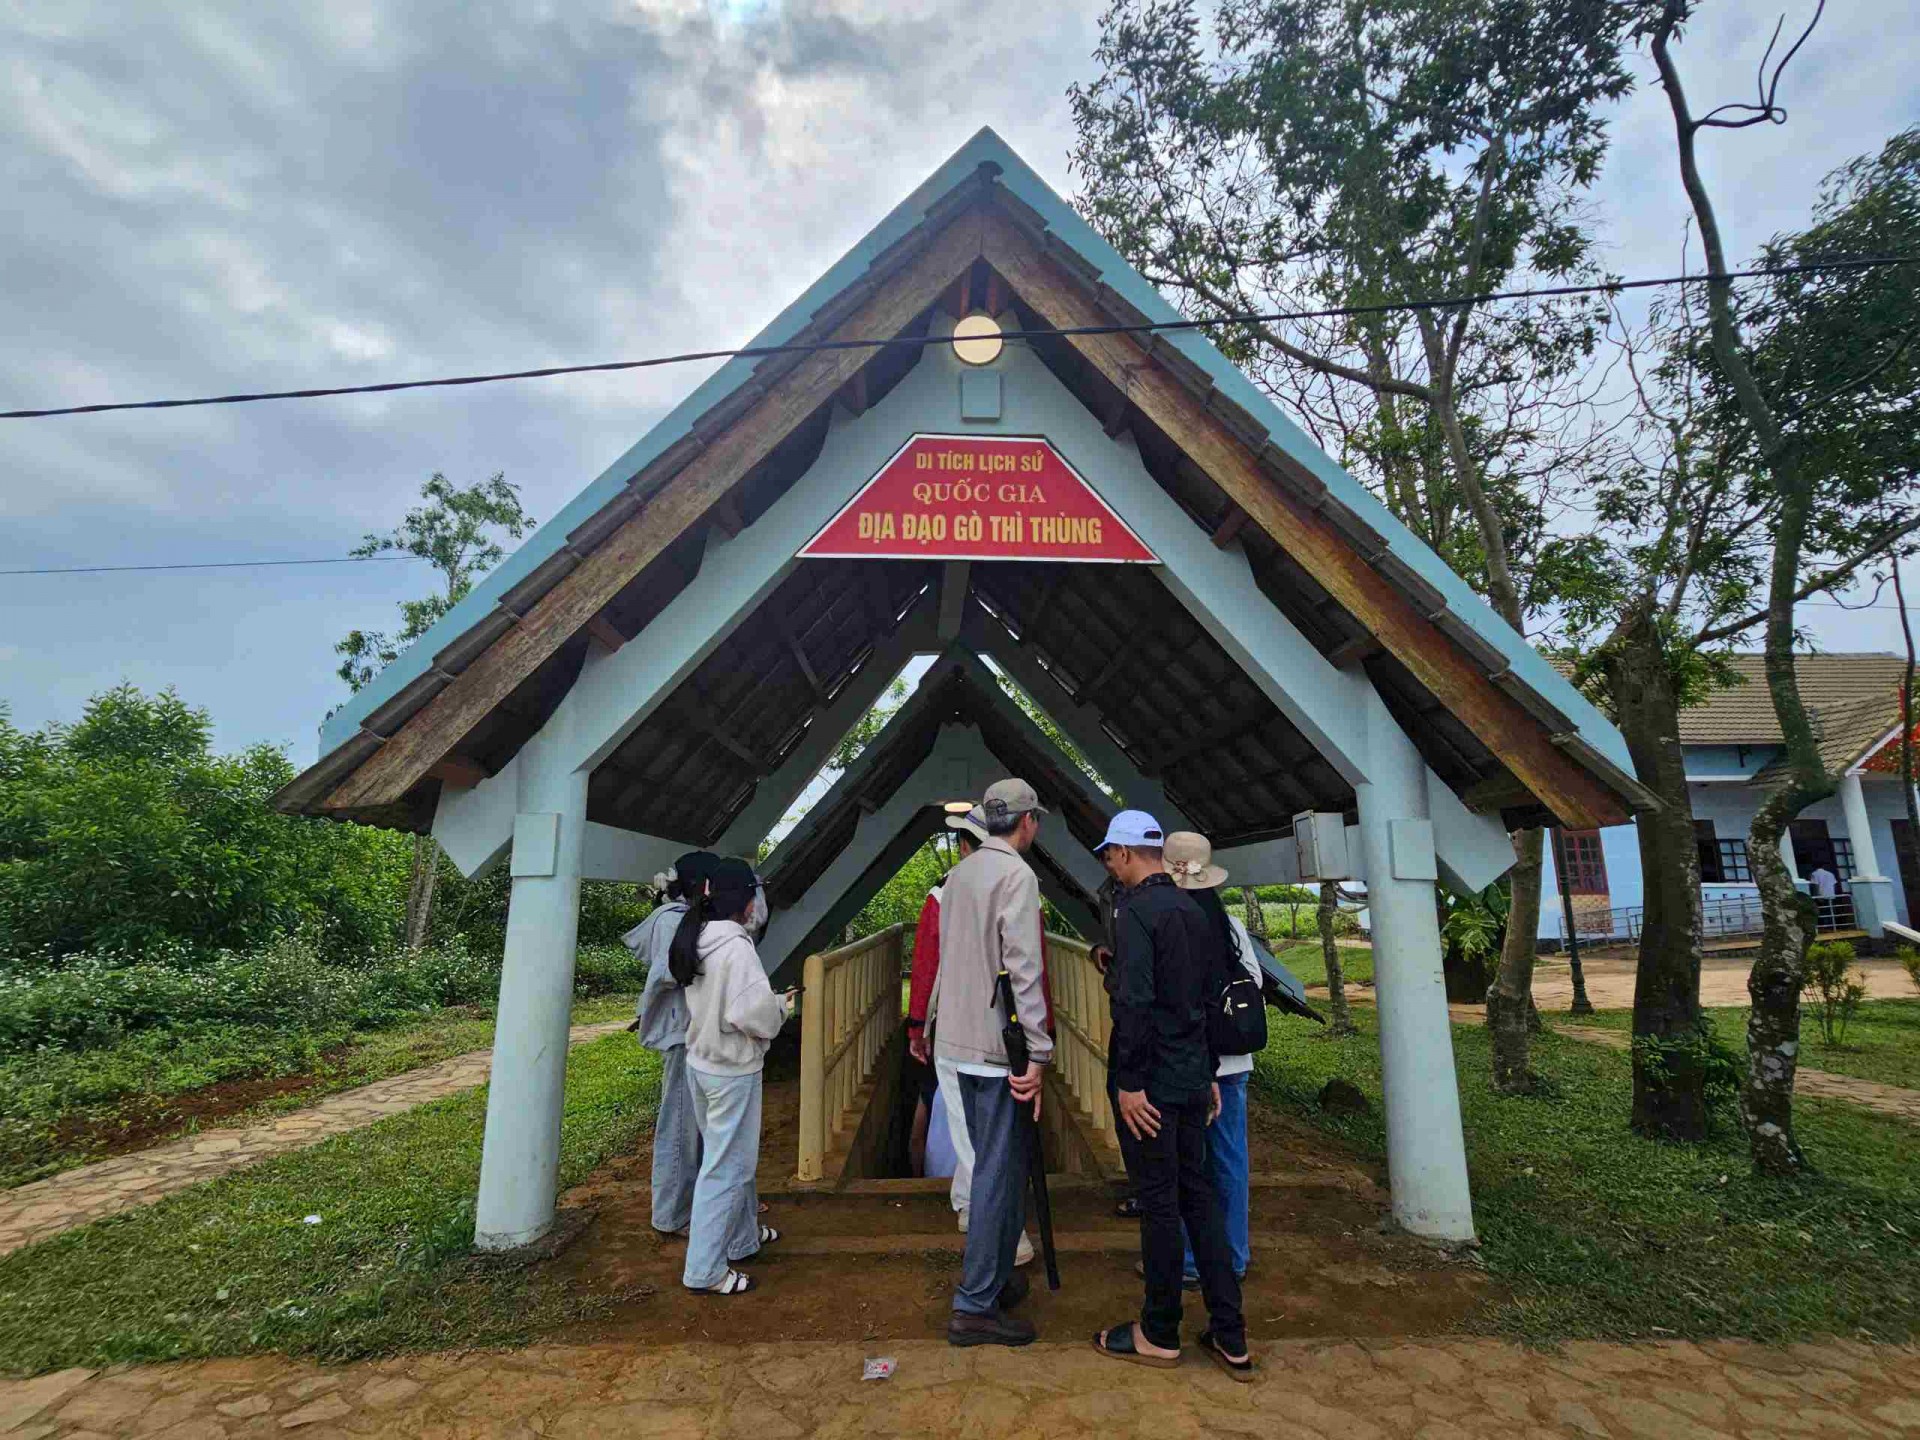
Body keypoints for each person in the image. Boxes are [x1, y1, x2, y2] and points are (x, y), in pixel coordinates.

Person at [1091, 810, 1253, 1381]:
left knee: (1160, 1204)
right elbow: (1206, 1002)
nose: (1109, 865)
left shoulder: (1136, 912)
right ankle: (1231, 1334)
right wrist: (1207, 1073)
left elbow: (1134, 1002)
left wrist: (1130, 1082)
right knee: (1199, 1199)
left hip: (1153, 1083)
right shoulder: (1193, 909)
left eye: (1110, 855)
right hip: (1191, 1077)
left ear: (1127, 853)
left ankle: (1158, 1332)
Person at [927, 779, 1053, 1347]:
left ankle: (995, 1278)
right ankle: (975, 1304)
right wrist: (1038, 1050)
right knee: (999, 1177)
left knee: (991, 1167)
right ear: (1027, 822)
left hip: (957, 1043)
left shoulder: (961, 875)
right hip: (998, 1050)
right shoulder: (1016, 877)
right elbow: (1024, 970)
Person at [908, 806, 1039, 1266]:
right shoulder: (1020, 885)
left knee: (967, 1132)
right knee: (1000, 1136)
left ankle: (982, 1216)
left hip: (953, 1032)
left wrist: (918, 1024)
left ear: (969, 846)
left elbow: (926, 965)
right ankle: (983, 1214)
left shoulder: (943, 893)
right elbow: (1032, 968)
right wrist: (1041, 1038)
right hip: (1007, 1034)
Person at [672, 856, 795, 1296]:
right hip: (731, 1071)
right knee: (726, 1169)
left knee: (727, 1160)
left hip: (701, 1064)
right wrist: (779, 1007)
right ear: (746, 902)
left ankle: (743, 1240)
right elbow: (752, 1014)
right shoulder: (737, 948)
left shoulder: (700, 936)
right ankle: (704, 1270)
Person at [1164, 831, 1259, 1289]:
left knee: (1189, 1165)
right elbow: (1253, 984)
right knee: (1230, 1162)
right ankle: (1234, 1257)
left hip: (1190, 1066)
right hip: (1234, 1064)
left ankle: (1191, 1261)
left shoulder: (1172, 924)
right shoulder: (1231, 926)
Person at [624, 851, 717, 1237]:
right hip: (683, 1034)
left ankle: (701, 1201)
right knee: (680, 1123)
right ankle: (673, 1213)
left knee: (697, 1123)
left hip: (692, 1032)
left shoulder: (682, 917)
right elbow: (673, 973)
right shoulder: (672, 921)